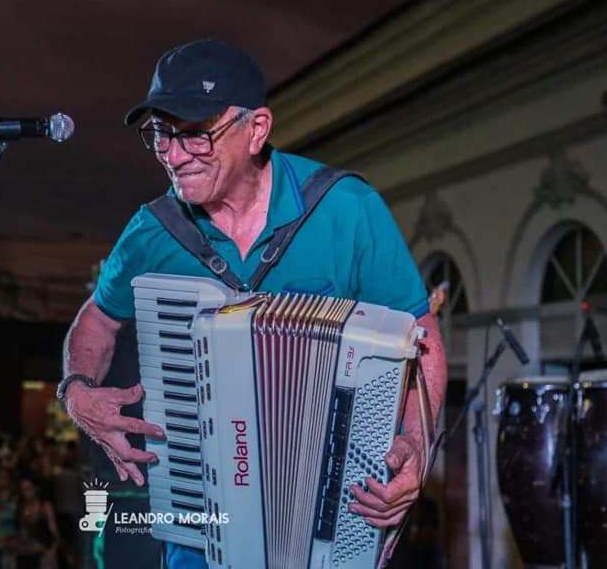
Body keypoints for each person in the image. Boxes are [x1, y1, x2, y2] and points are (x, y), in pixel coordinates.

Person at [59, 38, 447, 567]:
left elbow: (420, 333)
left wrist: (418, 443)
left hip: (331, 513)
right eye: (161, 135)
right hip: (200, 523)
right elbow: (97, 323)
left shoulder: (345, 210)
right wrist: (76, 393)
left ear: (257, 129)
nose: (173, 156)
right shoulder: (152, 232)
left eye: (194, 135)